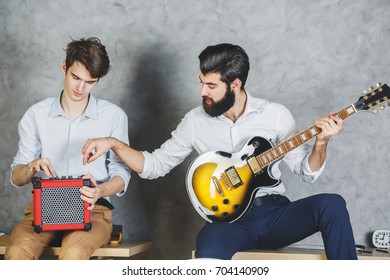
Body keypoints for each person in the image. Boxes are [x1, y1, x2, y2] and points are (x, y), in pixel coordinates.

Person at [82, 43, 357, 260]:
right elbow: (154, 166)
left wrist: (321, 143)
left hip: (274, 216)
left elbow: (307, 174)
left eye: (211, 85)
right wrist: (114, 143)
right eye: (202, 82)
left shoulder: (275, 115)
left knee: (331, 205)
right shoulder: (194, 121)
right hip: (228, 224)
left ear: (235, 84)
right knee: (206, 260)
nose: (203, 91)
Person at [6, 37, 131, 260]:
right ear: (64, 66)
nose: (81, 88)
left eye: (90, 81)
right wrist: (30, 167)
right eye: (75, 77)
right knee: (16, 253)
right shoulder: (36, 114)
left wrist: (99, 191)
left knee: (73, 253)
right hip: (43, 209)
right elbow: (16, 177)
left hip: (93, 211)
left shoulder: (114, 116)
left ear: (98, 80)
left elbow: (122, 174)